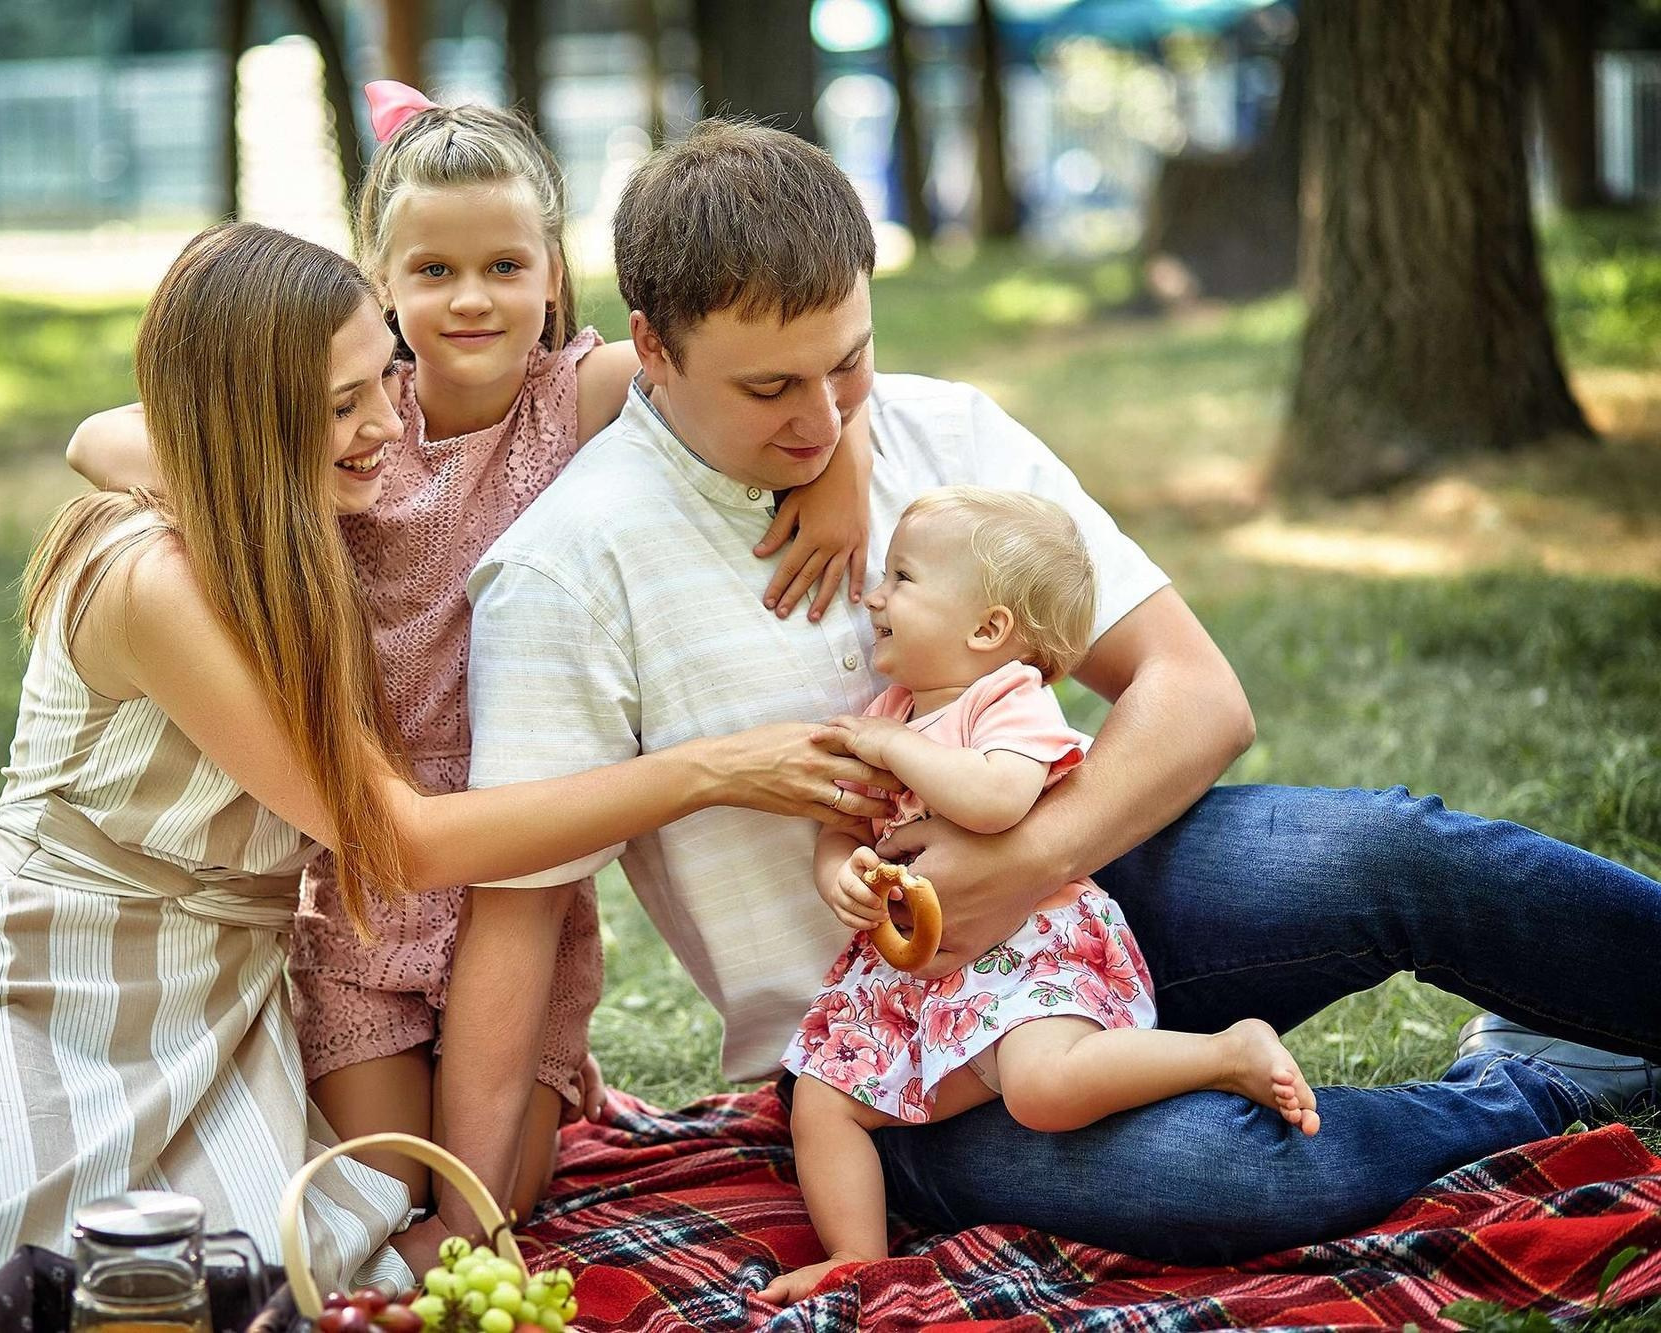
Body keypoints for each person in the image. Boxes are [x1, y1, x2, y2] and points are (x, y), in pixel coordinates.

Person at [443, 119, 1661, 1269]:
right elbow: (515, 913)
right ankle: (1535, 1083)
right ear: (651, 349)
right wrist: (461, 1229)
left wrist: (1026, 862)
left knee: (1393, 852)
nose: (821, 420)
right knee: (1223, 1176)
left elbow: (1194, 691)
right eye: (770, 390)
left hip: (1096, 900)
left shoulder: (940, 434)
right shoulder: (566, 570)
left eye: (848, 360)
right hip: (897, 1056)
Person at [0, 222, 895, 1333]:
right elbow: (399, 841)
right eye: (344, 404)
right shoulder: (153, 577)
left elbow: (719, 372)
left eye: (382, 381)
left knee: (249, 1274)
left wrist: (836, 454)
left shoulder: (280, 519)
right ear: (248, 419)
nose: (389, 427)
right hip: (56, 977)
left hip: (217, 996)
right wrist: (706, 771)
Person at [63, 84, 875, 1246]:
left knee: (509, 1193)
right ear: (379, 283)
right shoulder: (350, 416)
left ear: (549, 270)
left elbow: (794, 358)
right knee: (387, 1185)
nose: (472, 298)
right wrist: (235, 464)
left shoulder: (580, 394)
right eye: (433, 271)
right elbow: (96, 438)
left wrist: (839, 470)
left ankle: (519, 1093)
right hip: (365, 853)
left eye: (503, 265)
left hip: (519, 848)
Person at [768, 488, 1320, 1304]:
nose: (874, 598)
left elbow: (996, 799)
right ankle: (858, 1255)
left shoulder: (1007, 700)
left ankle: (1226, 1053)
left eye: (901, 578)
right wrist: (840, 874)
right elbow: (842, 827)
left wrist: (894, 747)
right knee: (821, 1100)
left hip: (1029, 953)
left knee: (1041, 1088)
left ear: (987, 628)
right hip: (919, 984)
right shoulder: (887, 712)